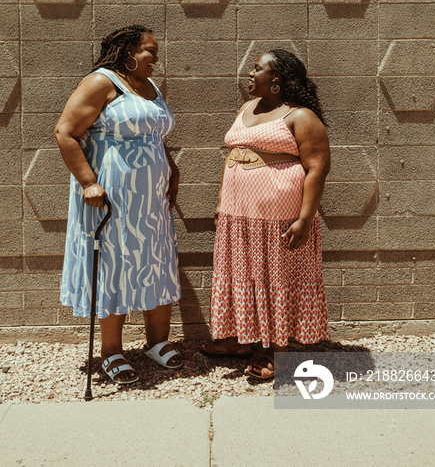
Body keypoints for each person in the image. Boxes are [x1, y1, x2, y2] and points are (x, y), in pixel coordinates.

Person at [56, 25, 182, 385]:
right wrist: (88, 182)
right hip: (111, 198)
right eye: (150, 51)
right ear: (128, 51)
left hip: (152, 202)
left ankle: (157, 344)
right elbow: (65, 132)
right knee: (115, 265)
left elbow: (154, 135)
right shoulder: (101, 82)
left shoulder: (151, 87)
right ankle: (111, 351)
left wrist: (171, 168)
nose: (156, 59)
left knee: (155, 261)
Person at [202, 49, 330, 380]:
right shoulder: (246, 108)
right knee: (241, 272)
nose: (249, 73)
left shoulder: (301, 117)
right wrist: (220, 199)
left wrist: (304, 218)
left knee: (274, 276)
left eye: (257, 68)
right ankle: (239, 338)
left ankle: (277, 350)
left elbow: (317, 168)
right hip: (238, 213)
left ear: (276, 79)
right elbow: (234, 154)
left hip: (278, 216)